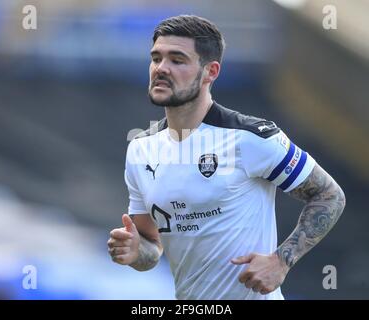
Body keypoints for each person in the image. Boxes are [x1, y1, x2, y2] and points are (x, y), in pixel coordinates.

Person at [107, 15, 346, 300]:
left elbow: (329, 195)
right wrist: (135, 251)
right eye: (156, 58)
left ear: (211, 72)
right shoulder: (140, 149)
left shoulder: (250, 137)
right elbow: (152, 247)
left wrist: (281, 261)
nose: (161, 68)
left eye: (177, 60)